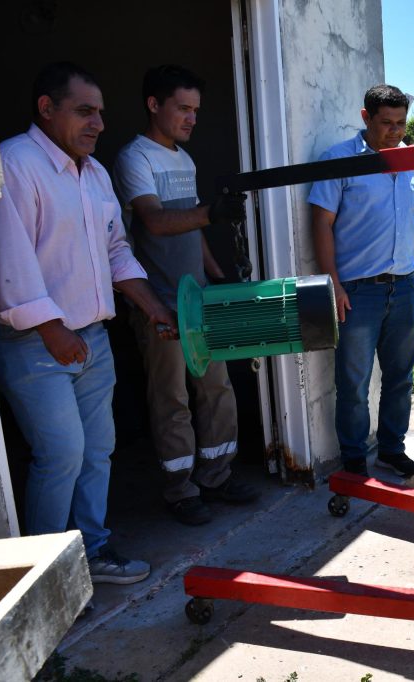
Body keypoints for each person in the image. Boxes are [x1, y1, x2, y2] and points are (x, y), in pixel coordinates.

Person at [0, 62, 179, 583]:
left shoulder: (93, 174)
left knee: (97, 451)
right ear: (46, 109)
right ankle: (45, 578)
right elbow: (8, 261)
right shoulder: (15, 164)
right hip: (33, 341)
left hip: (92, 336)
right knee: (61, 455)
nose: (97, 123)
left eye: (100, 113)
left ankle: (93, 550)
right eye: (84, 111)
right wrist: (52, 330)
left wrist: (154, 307)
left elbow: (116, 250)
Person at [112, 65, 258, 526]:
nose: (192, 119)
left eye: (196, 110)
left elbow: (193, 227)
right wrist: (211, 213)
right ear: (154, 105)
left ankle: (217, 476)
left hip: (199, 299)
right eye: (183, 109)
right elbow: (155, 222)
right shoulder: (135, 158)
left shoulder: (185, 159)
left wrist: (218, 276)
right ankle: (181, 490)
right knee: (171, 398)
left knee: (216, 388)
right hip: (159, 303)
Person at [308, 84, 414, 478]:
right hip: (357, 292)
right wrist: (333, 284)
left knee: (400, 377)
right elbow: (321, 222)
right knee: (353, 382)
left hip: (404, 288)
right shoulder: (338, 161)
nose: (395, 131)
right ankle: (354, 457)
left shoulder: (413, 163)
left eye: (401, 122)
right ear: (366, 117)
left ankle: (391, 449)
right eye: (386, 123)